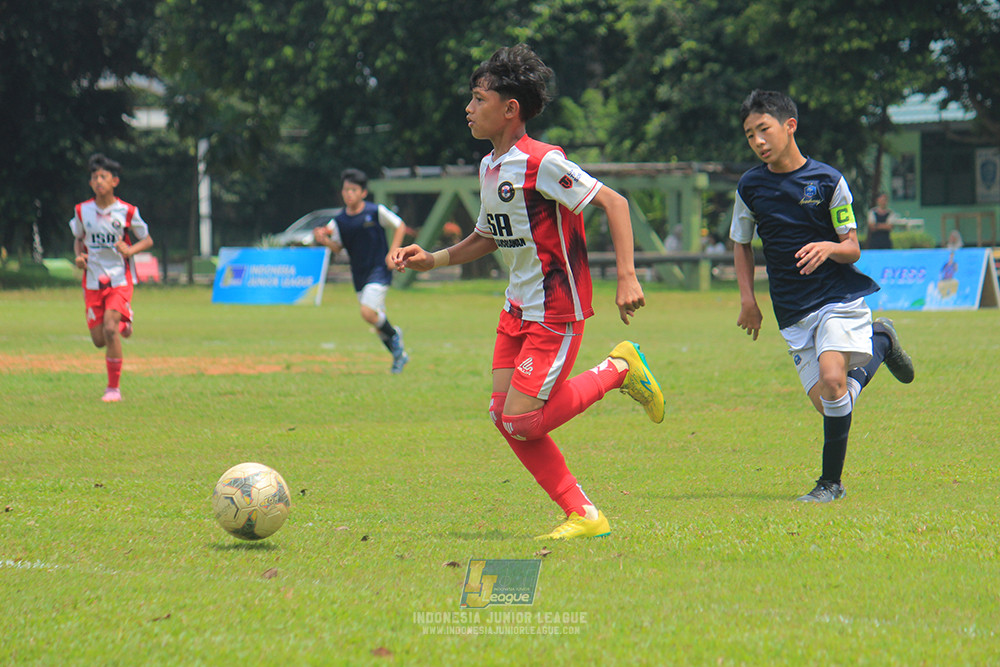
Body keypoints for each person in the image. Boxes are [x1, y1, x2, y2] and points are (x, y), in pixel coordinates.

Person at [391, 44, 665, 540]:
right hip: (516, 307)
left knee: (522, 421)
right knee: (505, 416)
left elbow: (615, 203)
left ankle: (620, 369)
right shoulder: (489, 166)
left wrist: (627, 275)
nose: (469, 109)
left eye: (478, 99)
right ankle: (585, 515)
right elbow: (487, 236)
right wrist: (432, 258)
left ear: (509, 109)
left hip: (555, 310)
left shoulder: (543, 162)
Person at [729, 90, 915, 503]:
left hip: (836, 298)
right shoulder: (750, 187)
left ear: (789, 126)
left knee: (834, 381)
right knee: (831, 401)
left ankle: (830, 483)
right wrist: (748, 300)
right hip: (792, 311)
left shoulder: (828, 181)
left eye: (764, 129)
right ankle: (881, 342)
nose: (758, 141)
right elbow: (741, 244)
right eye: (749, 135)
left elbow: (853, 247)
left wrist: (829, 247)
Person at [69, 153, 154, 403]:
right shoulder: (82, 210)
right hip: (93, 281)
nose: (98, 181)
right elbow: (78, 239)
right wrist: (79, 257)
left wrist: (130, 250)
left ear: (114, 181)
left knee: (109, 329)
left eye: (103, 177)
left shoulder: (127, 211)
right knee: (98, 340)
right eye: (94, 177)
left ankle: (113, 389)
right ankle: (124, 323)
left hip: (119, 279)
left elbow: (147, 239)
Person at [313, 168, 409, 374]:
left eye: (353, 190)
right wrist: (325, 240)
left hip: (379, 270)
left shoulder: (375, 211)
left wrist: (394, 252)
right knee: (376, 320)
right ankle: (398, 355)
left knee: (367, 312)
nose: (348, 194)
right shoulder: (339, 221)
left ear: (363, 192)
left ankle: (394, 336)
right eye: (346, 190)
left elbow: (400, 225)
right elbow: (337, 247)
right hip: (359, 274)